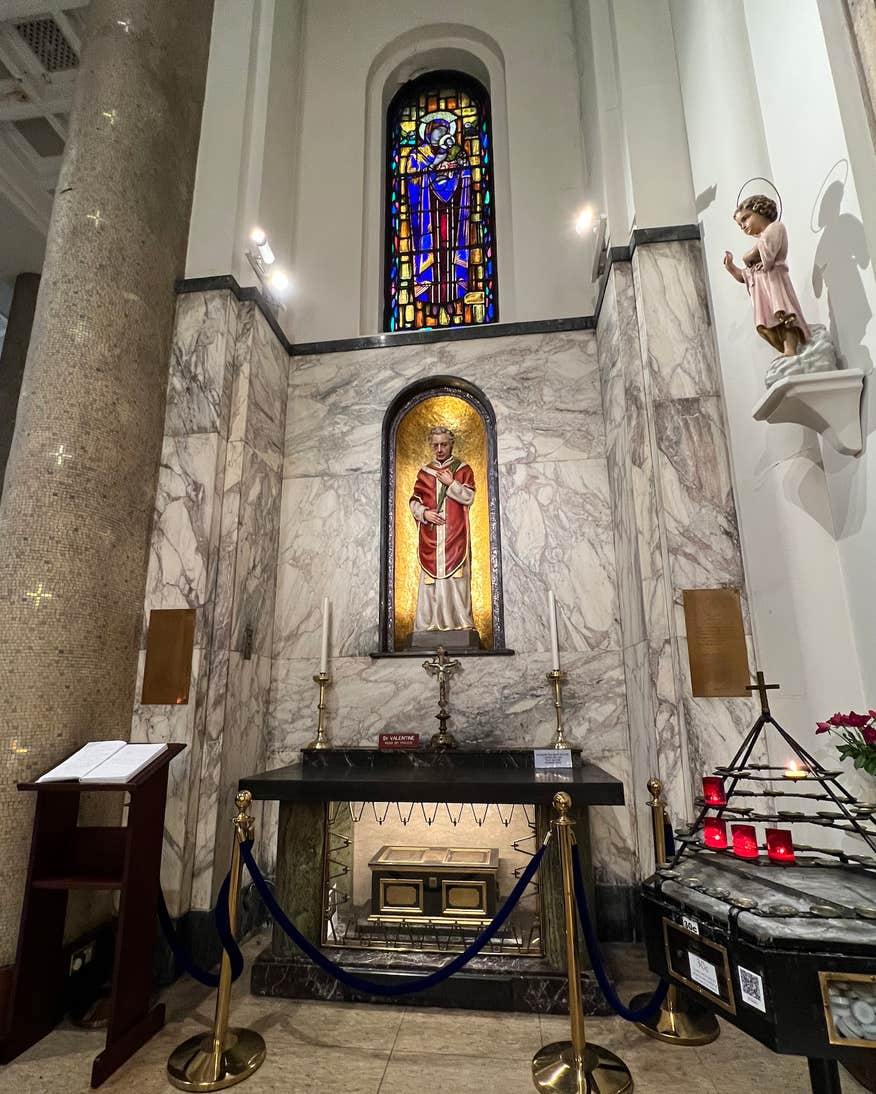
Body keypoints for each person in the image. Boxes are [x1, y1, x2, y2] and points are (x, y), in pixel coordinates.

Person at [723, 194, 811, 357]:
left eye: (746, 218)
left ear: (760, 210)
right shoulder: (761, 242)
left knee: (785, 316)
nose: (743, 226)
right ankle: (787, 349)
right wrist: (731, 267)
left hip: (775, 282)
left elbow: (768, 258)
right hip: (763, 290)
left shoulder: (775, 227)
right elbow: (745, 276)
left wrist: (750, 254)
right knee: (770, 324)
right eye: (740, 224)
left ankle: (791, 349)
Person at [409, 426, 476, 635]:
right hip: (431, 538)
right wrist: (424, 513)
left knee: (456, 580)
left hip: (454, 536)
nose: (439, 449)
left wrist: (451, 483)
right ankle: (428, 624)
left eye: (443, 444)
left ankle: (460, 622)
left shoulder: (463, 469)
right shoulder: (424, 472)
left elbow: (469, 497)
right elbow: (414, 501)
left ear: (451, 444)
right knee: (430, 582)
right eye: (435, 445)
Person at [405, 111, 472, 320]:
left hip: (451, 210)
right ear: (428, 132)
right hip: (428, 213)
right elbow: (412, 180)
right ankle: (430, 300)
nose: (441, 134)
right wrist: (435, 163)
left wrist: (459, 168)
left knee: (450, 252)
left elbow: (467, 175)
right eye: (438, 130)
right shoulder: (418, 155)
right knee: (432, 253)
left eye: (444, 130)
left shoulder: (456, 151)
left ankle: (453, 296)